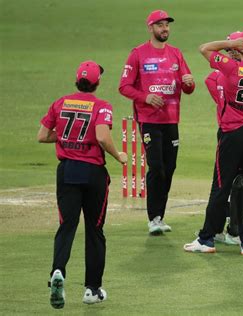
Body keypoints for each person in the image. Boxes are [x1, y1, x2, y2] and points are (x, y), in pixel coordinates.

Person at [38, 60, 127, 308]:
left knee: (66, 226)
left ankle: (58, 271)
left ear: (77, 80)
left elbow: (42, 135)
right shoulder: (102, 106)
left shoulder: (60, 103)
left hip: (66, 171)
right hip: (92, 174)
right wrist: (118, 155)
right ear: (97, 83)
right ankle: (92, 289)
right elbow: (101, 135)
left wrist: (65, 137)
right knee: (94, 230)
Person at [184, 31, 243, 255]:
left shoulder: (230, 67)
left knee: (221, 186)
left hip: (233, 133)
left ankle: (207, 239)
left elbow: (204, 48)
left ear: (239, 48)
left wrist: (229, 43)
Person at [119, 10, 195, 234]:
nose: (165, 29)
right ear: (150, 28)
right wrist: (145, 97)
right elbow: (124, 86)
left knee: (169, 167)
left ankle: (160, 216)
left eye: (167, 25)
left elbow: (188, 87)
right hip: (148, 120)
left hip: (171, 119)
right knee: (157, 166)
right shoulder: (138, 54)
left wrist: (189, 83)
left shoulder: (176, 54)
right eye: (160, 25)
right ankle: (153, 218)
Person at [204, 31, 243, 246]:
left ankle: (227, 228)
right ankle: (229, 230)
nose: (234, 54)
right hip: (231, 133)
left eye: (237, 50)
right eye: (230, 50)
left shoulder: (216, 76)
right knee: (228, 183)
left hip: (230, 132)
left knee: (231, 183)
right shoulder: (216, 77)